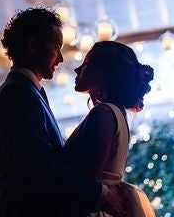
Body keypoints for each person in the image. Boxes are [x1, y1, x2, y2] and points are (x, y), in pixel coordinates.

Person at [0, 7, 124, 217]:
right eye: (55, 47)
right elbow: (40, 165)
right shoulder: (17, 92)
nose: (60, 59)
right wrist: (100, 193)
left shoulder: (27, 91)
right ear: (33, 46)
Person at [61, 40, 154, 216]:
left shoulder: (103, 113)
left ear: (106, 73)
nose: (77, 70)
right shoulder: (117, 113)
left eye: (86, 64)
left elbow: (87, 179)